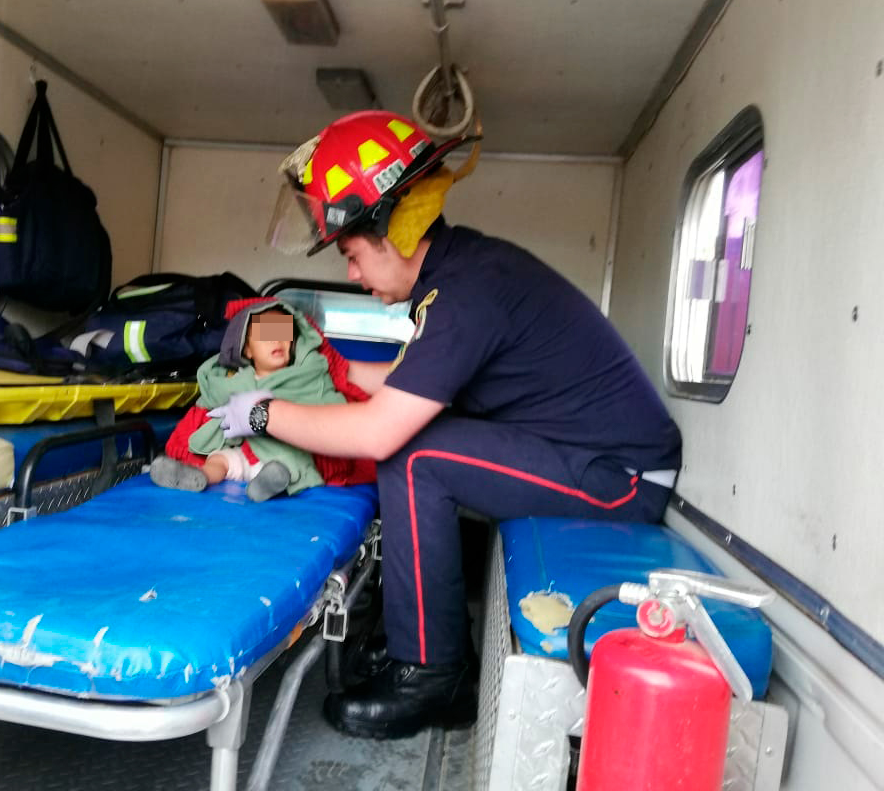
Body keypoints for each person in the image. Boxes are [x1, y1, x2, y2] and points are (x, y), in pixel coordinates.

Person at [208, 110, 683, 740]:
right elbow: (395, 383)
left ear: (393, 229)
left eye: (352, 254)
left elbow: (381, 430)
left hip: (619, 478)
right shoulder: (454, 280)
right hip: (578, 454)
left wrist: (263, 413)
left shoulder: (467, 291)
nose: (352, 274)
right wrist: (317, 369)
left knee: (413, 458)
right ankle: (420, 636)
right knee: (416, 448)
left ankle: (433, 673)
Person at [150, 301, 348, 502]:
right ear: (247, 350)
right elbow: (207, 406)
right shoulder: (230, 381)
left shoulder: (305, 379)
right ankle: (199, 477)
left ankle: (267, 486)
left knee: (284, 468)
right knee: (219, 460)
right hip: (240, 453)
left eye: (283, 334)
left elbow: (331, 411)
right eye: (266, 334)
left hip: (281, 454)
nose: (276, 341)